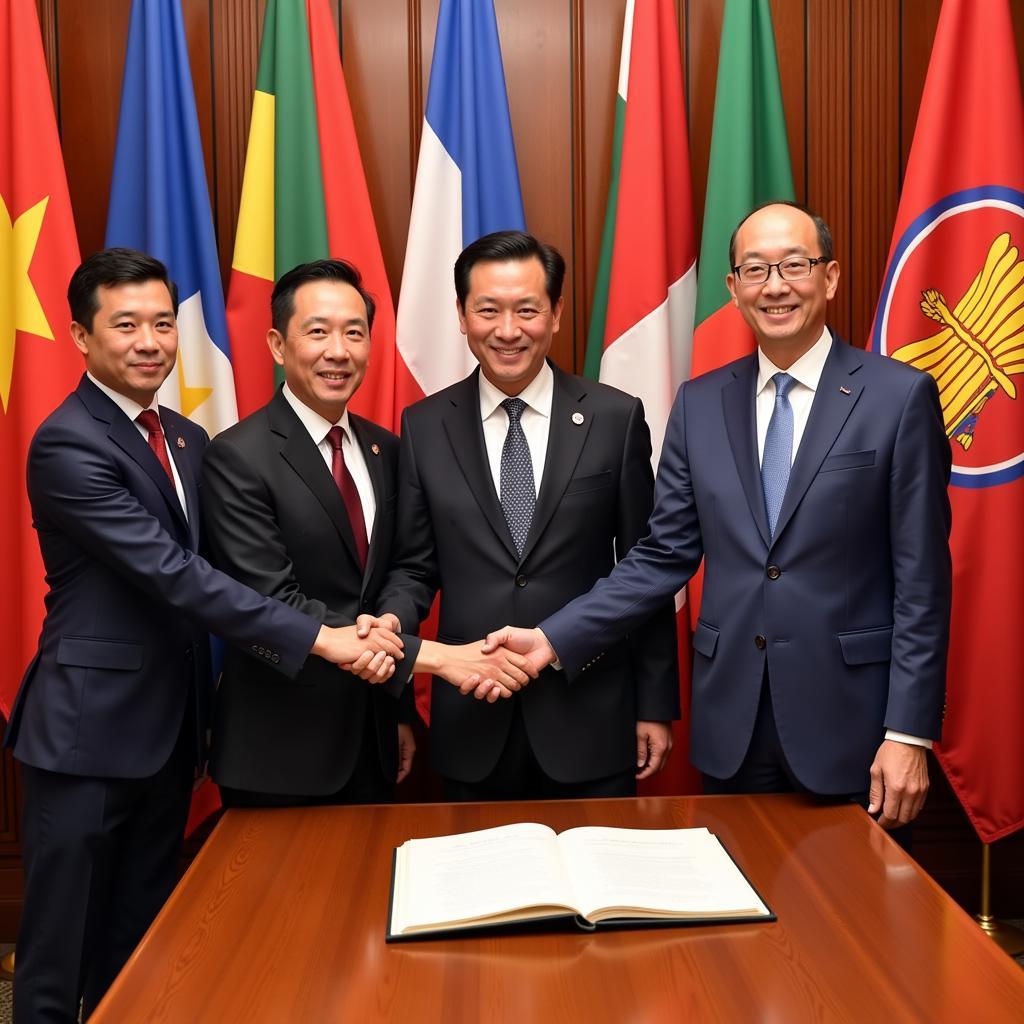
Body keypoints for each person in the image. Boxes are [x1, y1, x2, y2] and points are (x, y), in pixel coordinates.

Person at [4, 249, 403, 1022]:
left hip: (169, 731)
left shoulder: (185, 437)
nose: (150, 341)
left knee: (141, 936)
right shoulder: (67, 443)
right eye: (126, 324)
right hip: (85, 735)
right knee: (58, 954)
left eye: (162, 322)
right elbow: (174, 575)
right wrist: (323, 640)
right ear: (81, 337)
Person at [486, 202, 952, 830]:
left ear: (832, 276)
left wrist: (910, 733)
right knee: (741, 915)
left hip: (856, 726)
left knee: (857, 917)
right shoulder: (701, 403)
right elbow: (661, 555)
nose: (776, 285)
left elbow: (922, 581)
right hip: (733, 720)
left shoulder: (899, 398)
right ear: (733, 289)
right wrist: (550, 640)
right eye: (755, 270)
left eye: (795, 265)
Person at [363, 231, 680, 801]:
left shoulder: (615, 418)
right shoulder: (424, 426)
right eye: (488, 310)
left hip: (592, 712)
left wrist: (654, 703)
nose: (508, 331)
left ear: (556, 314)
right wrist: (392, 622)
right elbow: (413, 566)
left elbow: (645, 570)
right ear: (461, 316)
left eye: (527, 310)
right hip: (471, 718)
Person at [202, 259, 532, 805]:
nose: (339, 351)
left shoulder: (386, 449)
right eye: (318, 331)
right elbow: (271, 601)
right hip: (279, 751)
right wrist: (428, 656)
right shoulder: (237, 456)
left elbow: (406, 566)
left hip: (373, 737)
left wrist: (393, 631)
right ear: (278, 346)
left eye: (355, 333)